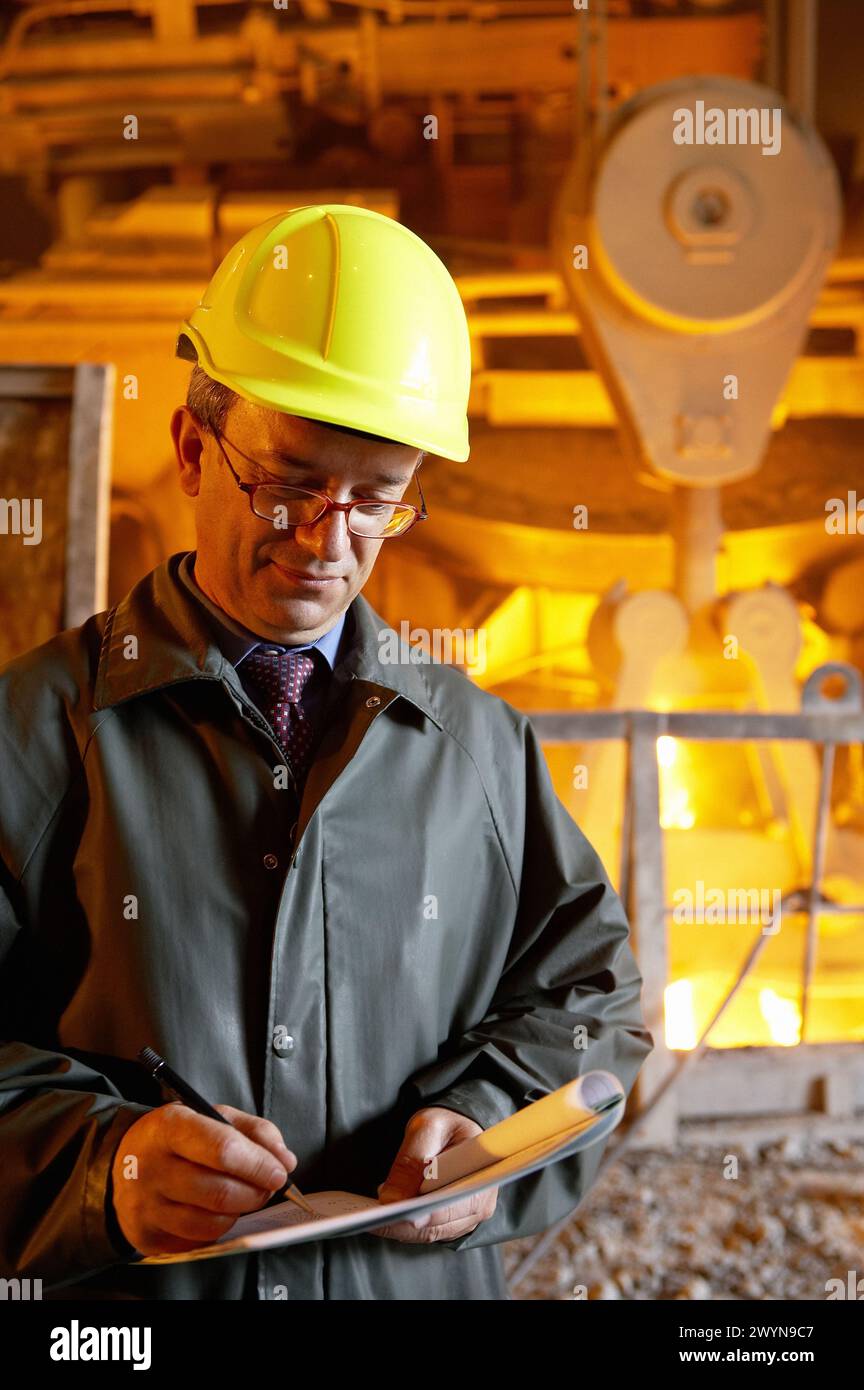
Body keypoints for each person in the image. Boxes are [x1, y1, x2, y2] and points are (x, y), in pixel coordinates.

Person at [0, 204, 653, 1300]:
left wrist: (484, 1123)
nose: (327, 541)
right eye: (291, 485)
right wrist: (106, 1168)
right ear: (193, 448)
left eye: (375, 501)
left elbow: (591, 1005)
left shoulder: (477, 747)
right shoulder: (39, 731)